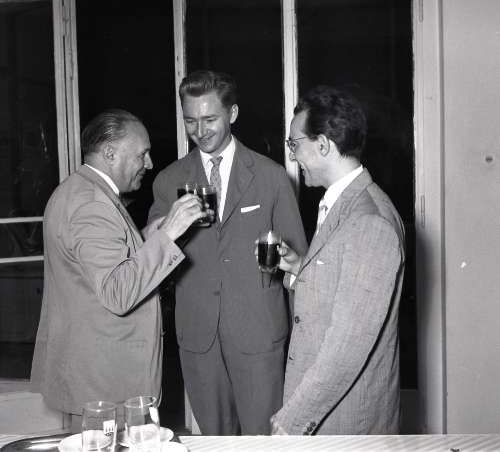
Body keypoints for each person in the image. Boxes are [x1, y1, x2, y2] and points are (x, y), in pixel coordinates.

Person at [147, 70, 307, 435]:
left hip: (259, 334)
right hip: (198, 336)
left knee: (262, 439)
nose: (200, 131)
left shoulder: (271, 176)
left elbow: (301, 263)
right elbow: (152, 260)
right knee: (213, 439)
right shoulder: (168, 181)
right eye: (190, 121)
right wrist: (167, 228)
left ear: (232, 114)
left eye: (209, 119)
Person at [30, 109, 206, 430]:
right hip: (105, 388)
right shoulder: (92, 204)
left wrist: (145, 238)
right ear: (110, 153)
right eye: (142, 154)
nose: (149, 164)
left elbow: (97, 269)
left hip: (96, 378)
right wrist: (169, 234)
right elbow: (117, 292)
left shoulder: (80, 190)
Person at [271, 85, 405, 435]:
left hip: (345, 419)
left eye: (294, 144)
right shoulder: (344, 204)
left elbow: (347, 346)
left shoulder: (370, 222)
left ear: (323, 145)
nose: (292, 156)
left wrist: (292, 421)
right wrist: (300, 268)